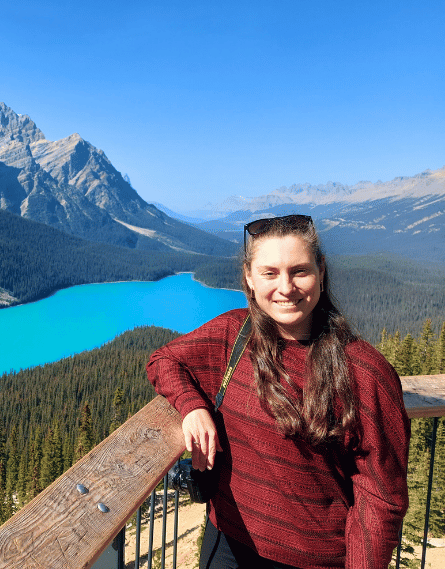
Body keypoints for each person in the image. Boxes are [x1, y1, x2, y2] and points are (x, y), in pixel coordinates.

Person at [147, 214, 410, 569]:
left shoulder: (364, 371)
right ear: (249, 279)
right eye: (269, 273)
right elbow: (163, 361)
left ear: (321, 272)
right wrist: (193, 406)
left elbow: (381, 498)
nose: (286, 288)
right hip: (226, 539)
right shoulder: (233, 334)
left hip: (315, 559)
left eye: (299, 271)